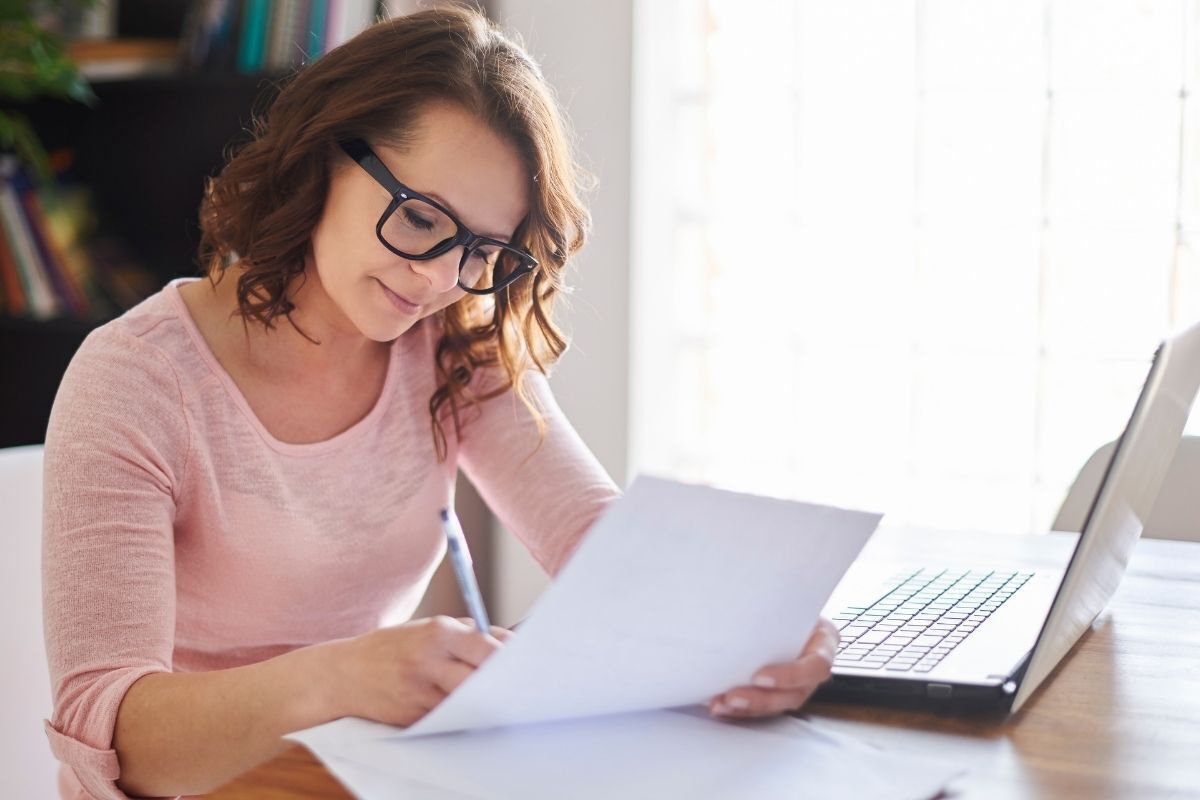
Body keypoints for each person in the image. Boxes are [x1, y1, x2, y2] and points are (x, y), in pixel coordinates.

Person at [40, 7, 839, 799]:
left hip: (362, 779)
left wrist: (763, 624)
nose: (437, 280)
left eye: (482, 252)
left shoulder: (454, 347)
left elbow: (604, 546)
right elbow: (113, 733)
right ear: (325, 155)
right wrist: (340, 678)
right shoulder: (138, 380)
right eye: (420, 219)